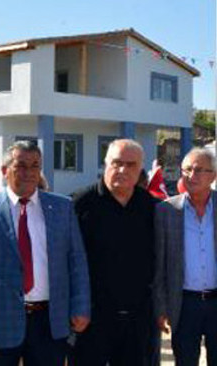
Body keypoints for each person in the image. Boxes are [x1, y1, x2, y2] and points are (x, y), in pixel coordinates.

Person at [0, 141, 91, 366]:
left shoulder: (62, 208)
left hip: (49, 321)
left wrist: (81, 306)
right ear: (5, 171)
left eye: (35, 166)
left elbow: (77, 262)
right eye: (21, 165)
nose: (29, 172)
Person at [153, 148, 217, 366]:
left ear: (213, 176)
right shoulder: (166, 210)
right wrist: (161, 307)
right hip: (184, 304)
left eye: (199, 170)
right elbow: (160, 265)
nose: (191, 175)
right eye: (186, 169)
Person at [71, 139, 156, 365]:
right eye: (117, 163)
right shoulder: (79, 204)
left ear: (140, 170)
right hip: (90, 318)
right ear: (105, 163)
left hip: (138, 319)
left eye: (131, 165)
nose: (122, 170)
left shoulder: (152, 207)